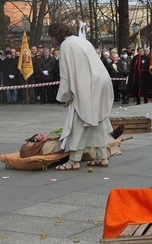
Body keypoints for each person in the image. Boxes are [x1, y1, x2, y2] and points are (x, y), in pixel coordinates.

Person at [49, 23, 114, 170]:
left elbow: (66, 73)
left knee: (78, 120)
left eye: (52, 37)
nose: (53, 41)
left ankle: (74, 160)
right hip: (102, 81)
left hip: (87, 85)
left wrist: (66, 96)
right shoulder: (83, 41)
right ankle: (101, 157)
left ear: (55, 35)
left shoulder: (66, 45)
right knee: (99, 120)